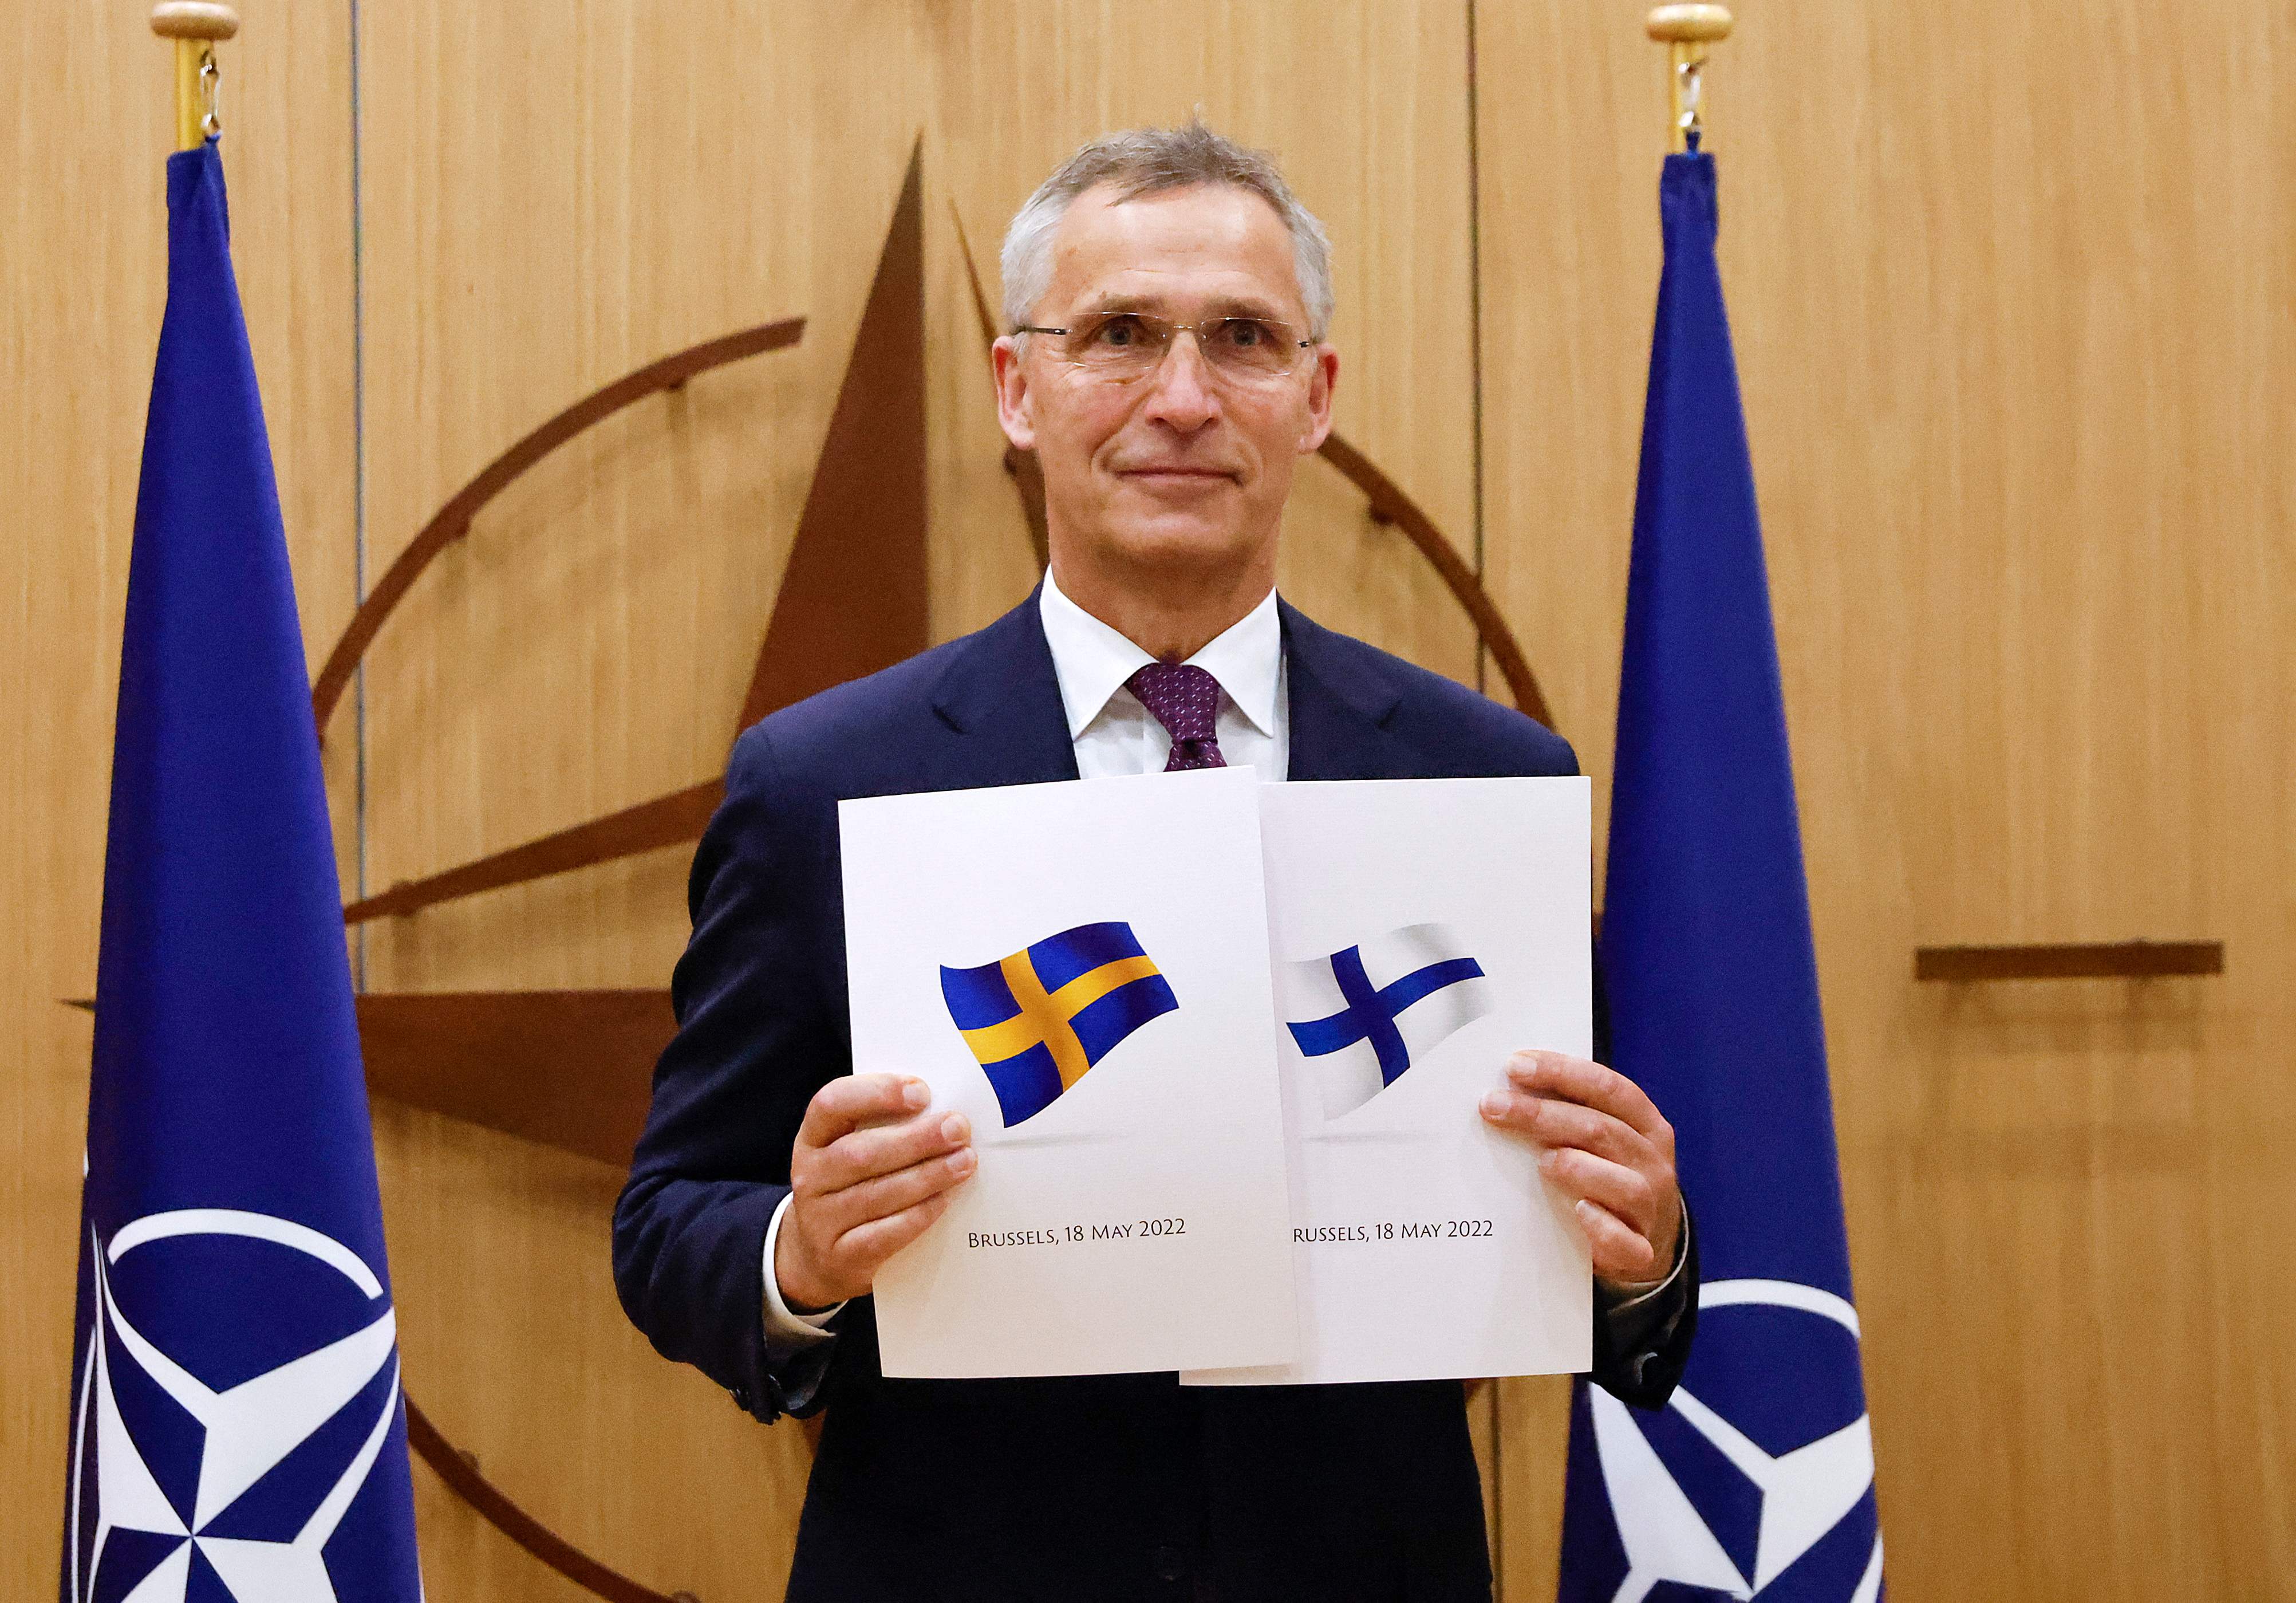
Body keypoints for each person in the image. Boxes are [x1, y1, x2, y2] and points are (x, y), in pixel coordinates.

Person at [613, 121, 1695, 1603]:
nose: (1179, 399)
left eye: (1240, 339)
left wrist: (1644, 1248)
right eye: (1117, 334)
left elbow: (1622, 1255)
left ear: (1314, 399)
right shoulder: (824, 785)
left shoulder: (1483, 780)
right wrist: (799, 1251)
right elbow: (670, 1223)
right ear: (1016, 387)